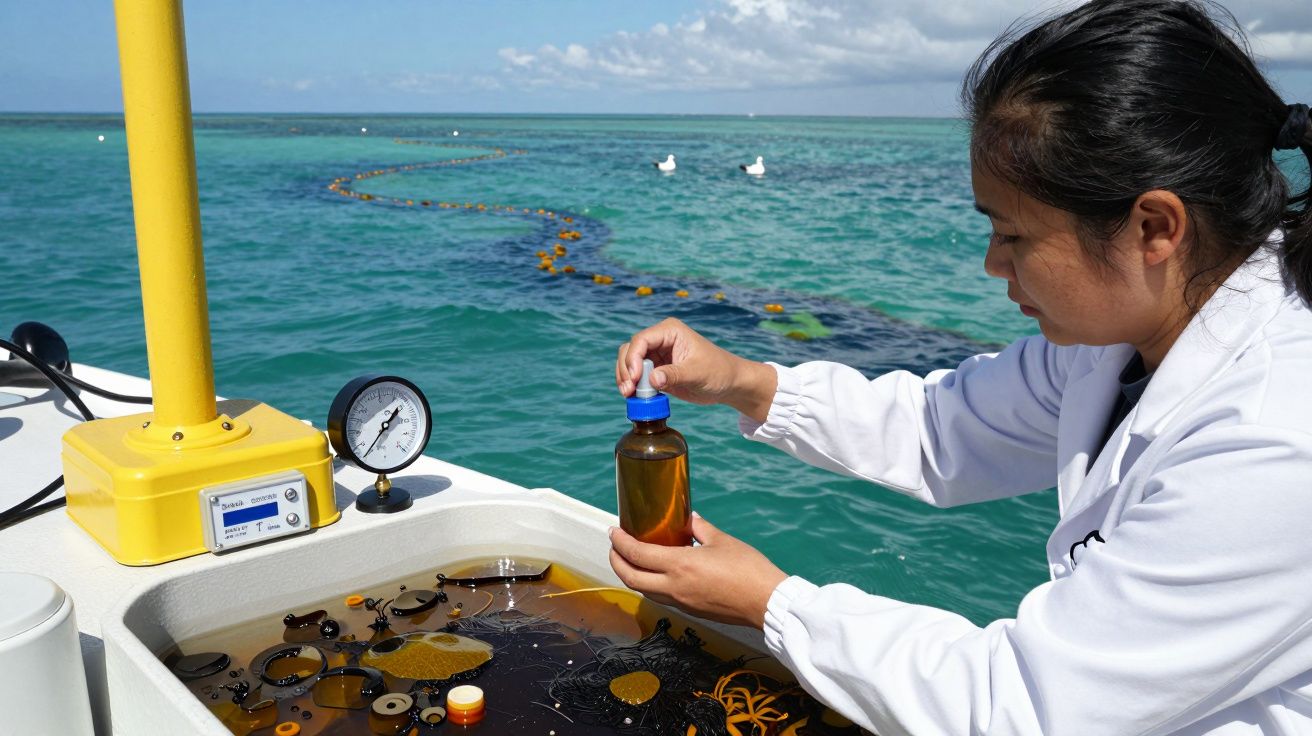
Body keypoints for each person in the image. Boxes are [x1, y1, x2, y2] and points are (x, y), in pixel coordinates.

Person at [608, 1, 1312, 733]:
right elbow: (944, 426)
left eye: (1012, 234)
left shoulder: (1276, 439)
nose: (990, 263)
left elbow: (1027, 708)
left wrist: (771, 603)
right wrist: (743, 383)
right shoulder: (1123, 340)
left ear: (1153, 228)